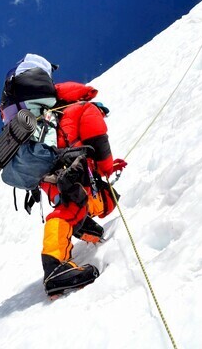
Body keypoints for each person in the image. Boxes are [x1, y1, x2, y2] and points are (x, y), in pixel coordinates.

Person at [39, 80, 127, 296]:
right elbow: (98, 142)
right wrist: (107, 167)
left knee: (73, 206)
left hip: (51, 179)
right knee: (99, 200)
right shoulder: (85, 109)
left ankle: (82, 225)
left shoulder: (52, 117)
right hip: (73, 171)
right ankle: (55, 267)